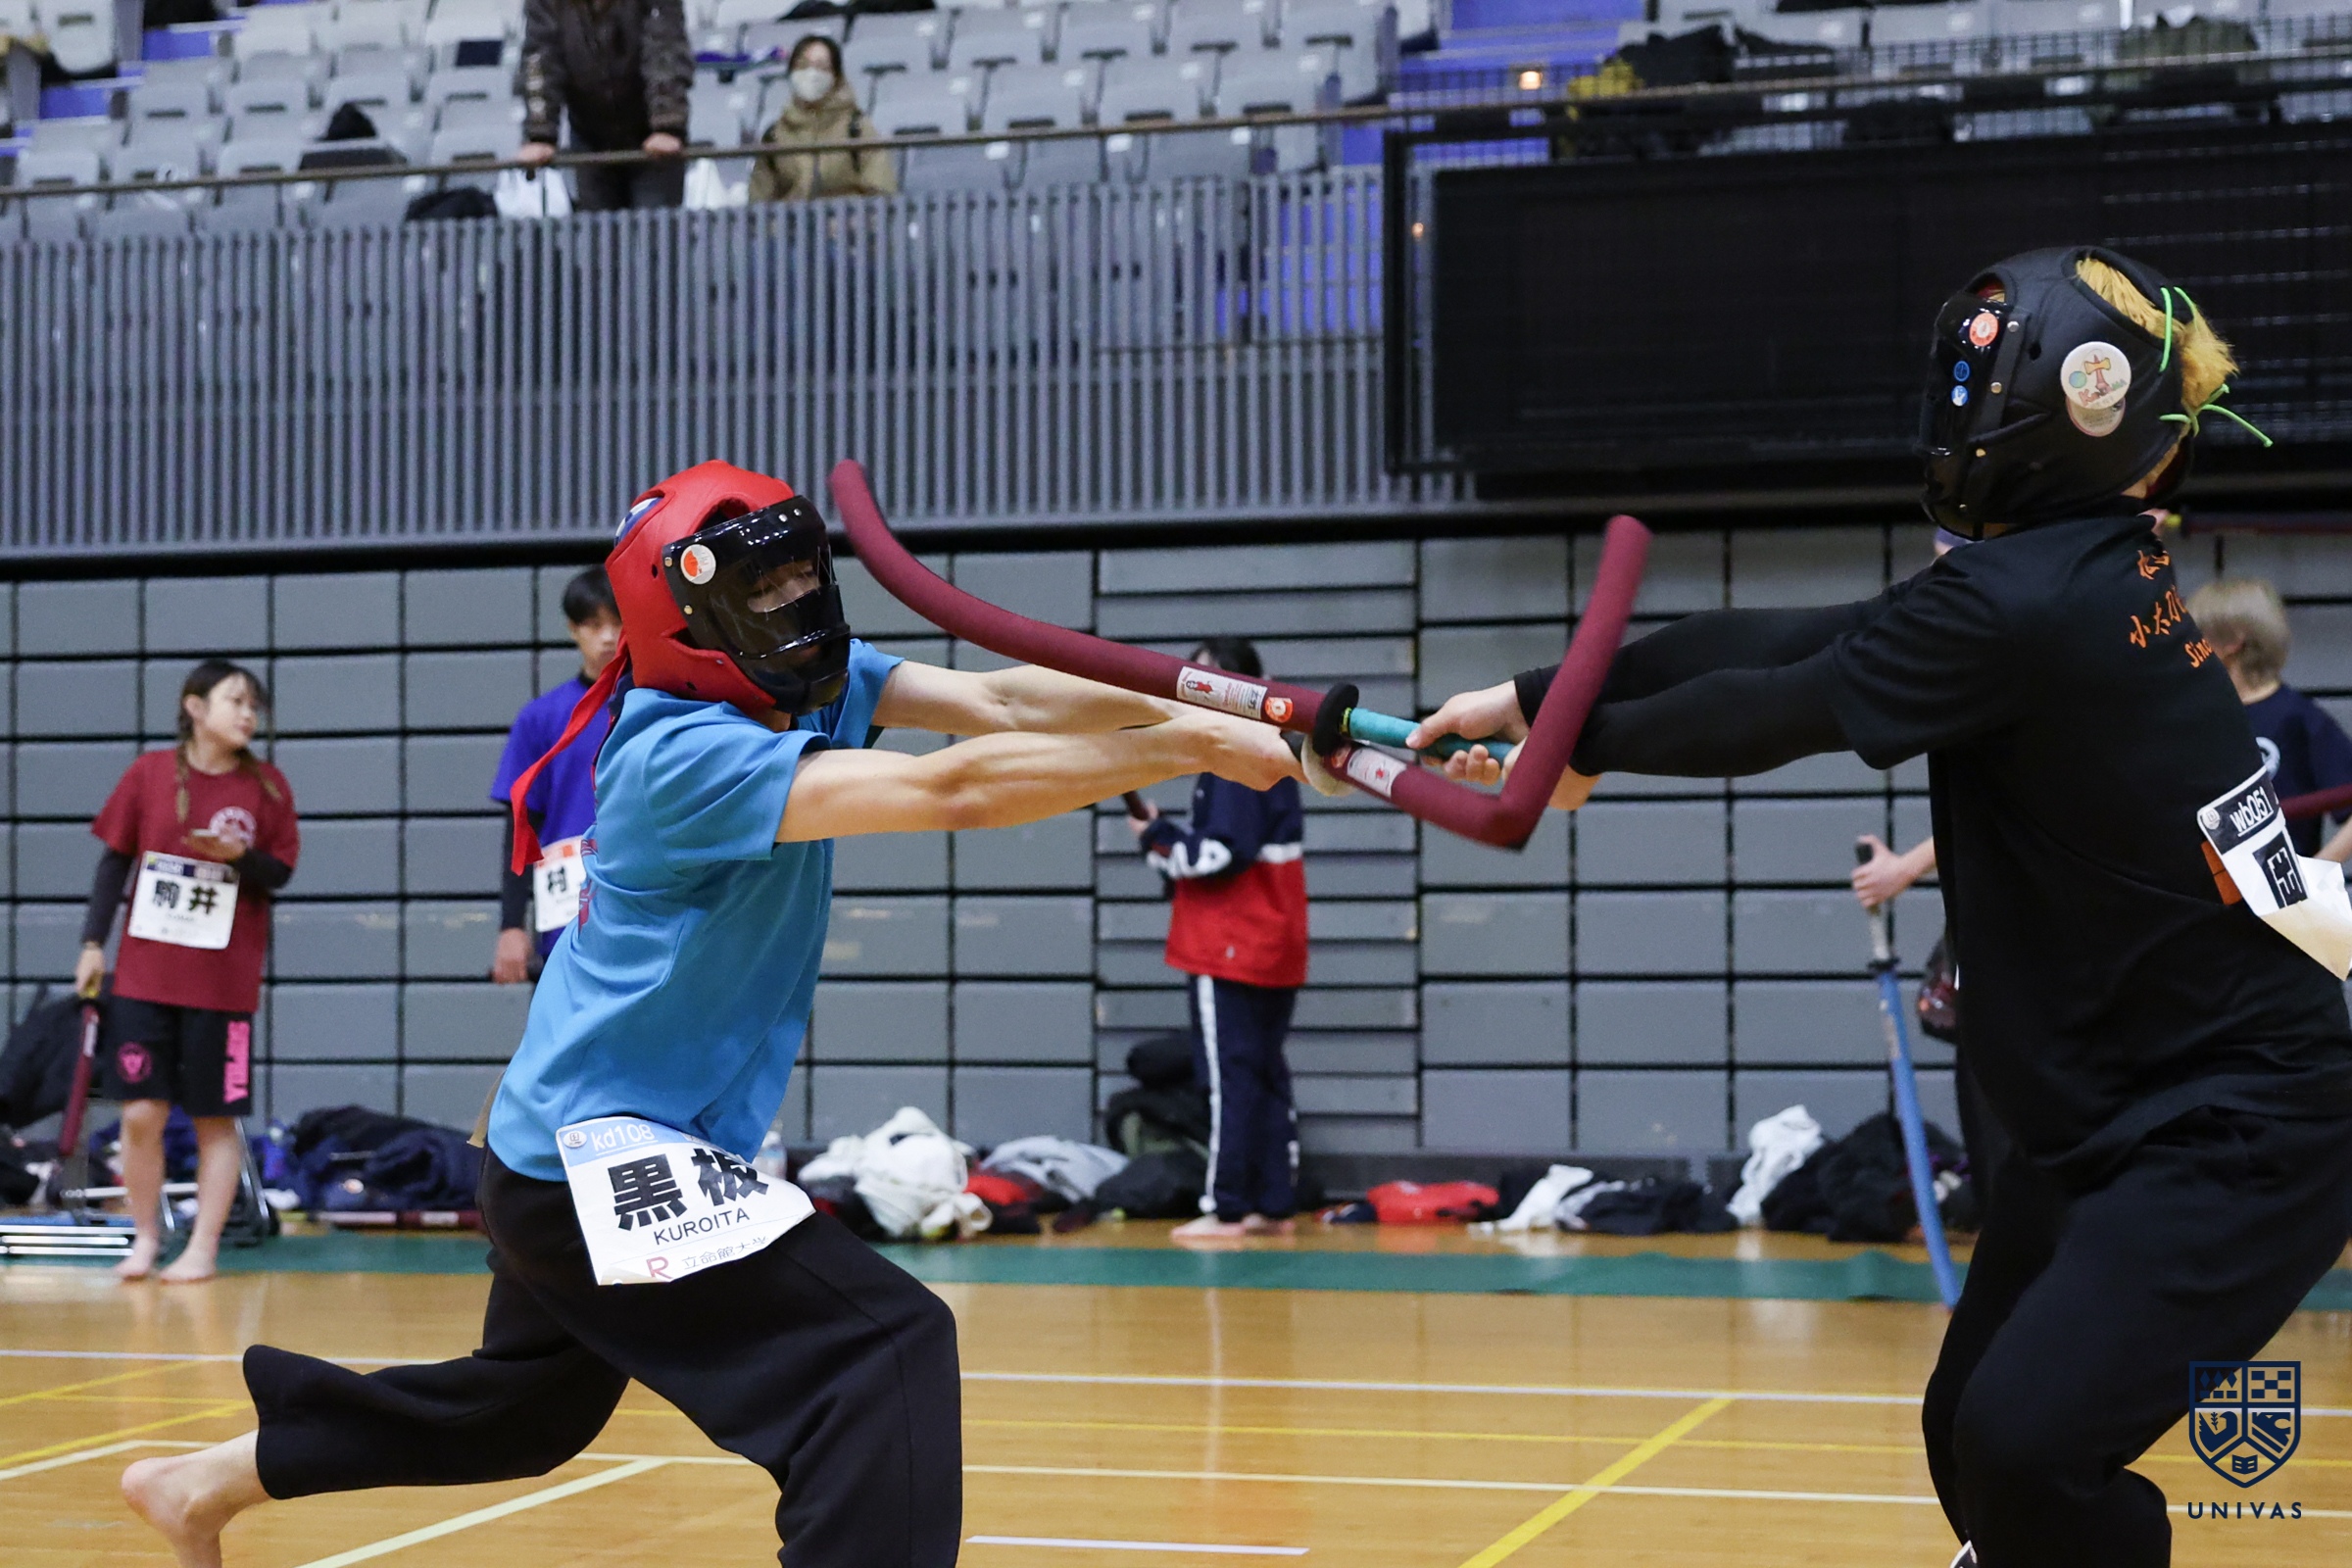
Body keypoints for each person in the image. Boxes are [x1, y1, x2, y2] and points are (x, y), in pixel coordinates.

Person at [119, 462, 1298, 1568]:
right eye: (761, 587)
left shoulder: (801, 680)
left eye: (797, 575)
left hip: (556, 1145)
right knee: (878, 1352)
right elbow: (955, 786)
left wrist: (1226, 709)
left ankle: (201, 1482)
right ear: (685, 620)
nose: (794, 602)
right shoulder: (677, 756)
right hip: (593, 1155)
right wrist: (1198, 741)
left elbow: (999, 697)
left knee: (521, 1413)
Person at [1411, 248, 2352, 1568]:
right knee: (1971, 1433)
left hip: (2236, 1123)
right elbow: (1793, 640)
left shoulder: (2036, 603)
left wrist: (1586, 748)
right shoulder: (2072, 573)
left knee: (2024, 1447)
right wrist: (1536, 699)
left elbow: (1778, 705)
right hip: (2115, 1115)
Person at [74, 661, 299, 1285]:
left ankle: (202, 1249)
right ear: (195, 707)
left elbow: (280, 872)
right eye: (235, 701)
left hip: (223, 985)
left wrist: (240, 855)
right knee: (140, 1114)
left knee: (213, 1117)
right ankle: (146, 1236)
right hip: (145, 978)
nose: (248, 714)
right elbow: (114, 863)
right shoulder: (149, 774)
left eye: (254, 705)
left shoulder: (268, 788)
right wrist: (92, 943)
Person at [1129, 636, 1307, 1240]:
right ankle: (1272, 1204)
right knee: (1262, 1071)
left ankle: (1226, 1206)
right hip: (1273, 941)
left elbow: (1219, 854)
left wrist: (1158, 839)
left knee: (1230, 1076)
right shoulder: (1271, 753)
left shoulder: (1236, 757)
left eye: (1208, 678)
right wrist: (1164, 841)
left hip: (1232, 943)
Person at [491, 567, 623, 985]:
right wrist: (512, 925)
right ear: (573, 630)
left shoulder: (659, 709)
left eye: (618, 623)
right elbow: (521, 825)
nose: (608, 637)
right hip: (564, 924)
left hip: (644, 915)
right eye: (594, 624)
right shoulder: (541, 718)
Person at [2186, 574, 2352, 861]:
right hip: (2202, 883)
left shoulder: (2298, 718)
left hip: (2278, 884)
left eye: (2197, 636)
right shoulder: (2193, 717)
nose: (2187, 649)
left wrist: (2313, 873)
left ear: (2232, 640)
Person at [517, 0, 693, 213]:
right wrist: (540, 134)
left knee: (654, 227)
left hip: (650, 135)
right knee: (598, 230)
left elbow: (665, 49)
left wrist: (667, 124)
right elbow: (540, 57)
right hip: (589, 136)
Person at [748, 34, 897, 205]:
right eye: (803, 65)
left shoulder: (857, 128)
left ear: (836, 76)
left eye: (821, 67)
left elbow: (881, 192)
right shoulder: (774, 136)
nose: (811, 74)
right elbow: (758, 205)